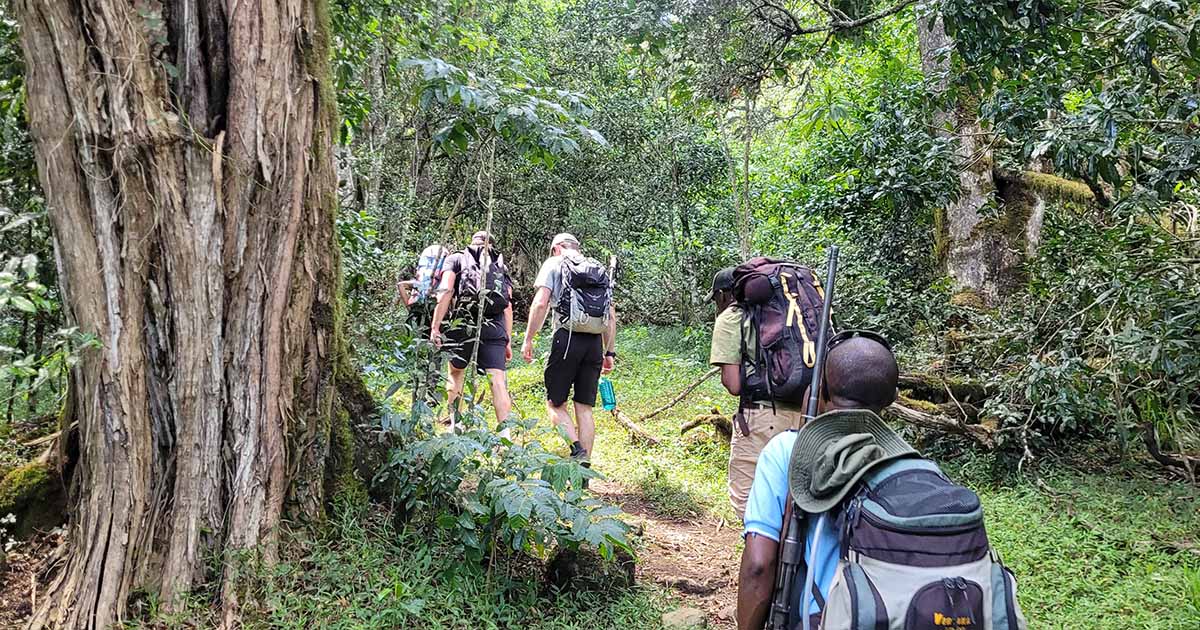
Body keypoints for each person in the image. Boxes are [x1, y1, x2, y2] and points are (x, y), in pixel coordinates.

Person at [735, 331, 904, 630]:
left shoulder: (787, 451)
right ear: (893, 399)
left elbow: (759, 566)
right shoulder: (908, 464)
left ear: (821, 389)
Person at [708, 266, 808, 521]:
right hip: (806, 416)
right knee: (794, 498)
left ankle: (760, 559)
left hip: (762, 419)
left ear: (723, 294)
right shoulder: (790, 313)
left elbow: (733, 385)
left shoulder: (731, 318)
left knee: (749, 502)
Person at [521, 232, 616, 466]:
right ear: (577, 247)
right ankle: (584, 472)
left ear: (556, 248)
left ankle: (576, 449)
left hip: (566, 338)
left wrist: (529, 338)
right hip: (594, 342)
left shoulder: (554, 263)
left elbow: (541, 302)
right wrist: (609, 352)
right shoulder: (597, 268)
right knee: (584, 408)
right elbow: (610, 314)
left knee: (555, 403)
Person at [429, 231, 513, 425]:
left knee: (456, 373)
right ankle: (505, 436)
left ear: (472, 242)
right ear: (491, 245)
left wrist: (435, 326)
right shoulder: (499, 265)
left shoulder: (456, 259)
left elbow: (446, 290)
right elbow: (508, 304)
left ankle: (455, 426)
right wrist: (506, 339)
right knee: (497, 381)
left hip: (462, 323)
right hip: (494, 324)